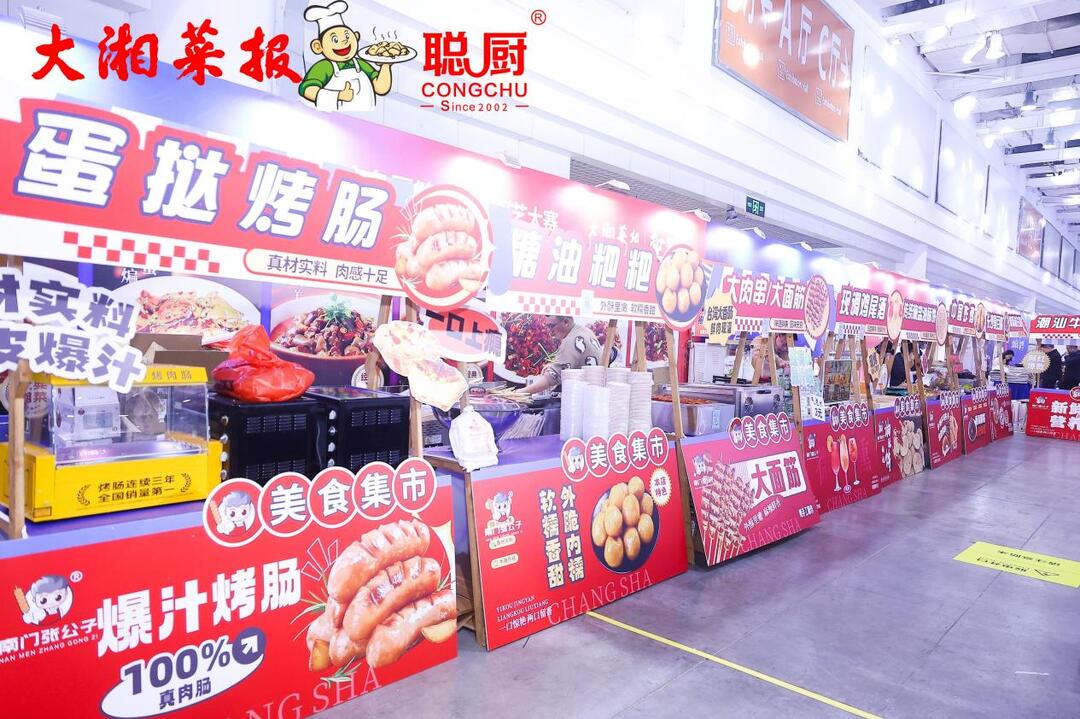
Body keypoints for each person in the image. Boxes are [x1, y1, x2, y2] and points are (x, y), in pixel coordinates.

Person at [299, 1, 392, 112]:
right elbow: (307, 89)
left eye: (347, 36)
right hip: (335, 118)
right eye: (335, 39)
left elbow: (380, 88)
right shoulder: (324, 67)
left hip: (367, 118)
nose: (344, 41)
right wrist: (338, 95)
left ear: (356, 37)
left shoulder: (361, 64)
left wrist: (386, 65)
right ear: (318, 46)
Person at [522, 316, 602, 395]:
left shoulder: (571, 340)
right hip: (594, 391)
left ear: (566, 322)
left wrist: (520, 393)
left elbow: (552, 377)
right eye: (547, 327)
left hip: (584, 395)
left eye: (551, 326)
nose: (549, 331)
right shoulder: (584, 331)